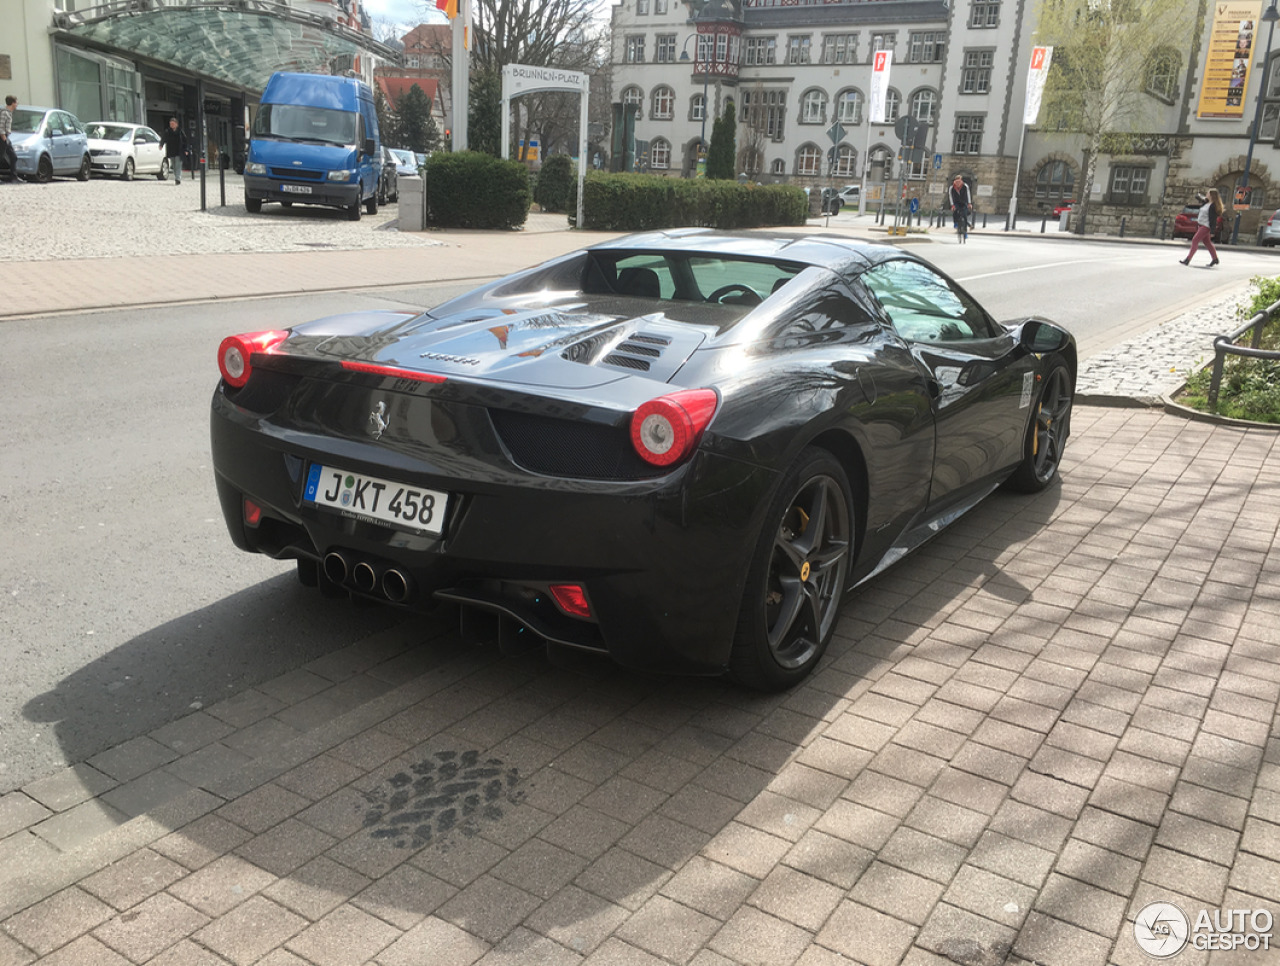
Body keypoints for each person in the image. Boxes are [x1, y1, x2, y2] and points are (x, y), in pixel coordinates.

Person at [1181, 188, 1223, 267]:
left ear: (1211, 195)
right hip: (1200, 225)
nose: (1206, 194)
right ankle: (1215, 259)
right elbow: (1198, 197)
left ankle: (1188, 259)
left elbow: (1213, 219)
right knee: (1207, 242)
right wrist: (1199, 195)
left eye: (1208, 193)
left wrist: (1213, 231)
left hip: (1206, 226)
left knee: (1195, 240)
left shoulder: (1213, 206)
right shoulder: (1206, 203)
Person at [160, 117, 186, 184]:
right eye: (170, 124)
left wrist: (186, 150)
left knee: (178, 165)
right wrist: (161, 145)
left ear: (176, 124)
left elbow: (185, 141)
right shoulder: (168, 131)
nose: (171, 125)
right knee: (174, 166)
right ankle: (176, 176)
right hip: (171, 151)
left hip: (179, 151)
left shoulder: (180, 131)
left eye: (173, 124)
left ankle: (178, 178)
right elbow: (163, 138)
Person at [949, 175, 973, 242]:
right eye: (956, 181)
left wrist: (969, 203)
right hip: (956, 202)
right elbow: (950, 196)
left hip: (964, 202)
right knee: (955, 211)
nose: (958, 183)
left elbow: (968, 194)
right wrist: (952, 205)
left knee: (964, 216)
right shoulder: (952, 188)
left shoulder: (965, 186)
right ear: (955, 181)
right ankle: (956, 223)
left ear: (961, 181)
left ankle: (965, 233)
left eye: (959, 181)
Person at [1, 96, 17, 183]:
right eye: (16, 103)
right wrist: (4, 139)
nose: (17, 104)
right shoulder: (4, 113)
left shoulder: (9, 113)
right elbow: (1, 127)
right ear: (13, 103)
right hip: (2, 138)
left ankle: (14, 177)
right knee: (1, 157)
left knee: (13, 156)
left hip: (6, 137)